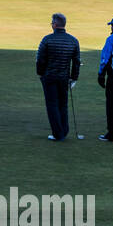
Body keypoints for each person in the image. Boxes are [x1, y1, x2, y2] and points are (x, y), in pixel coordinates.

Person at [36, 13, 81, 141]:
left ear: (55, 25)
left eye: (52, 23)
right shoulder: (73, 40)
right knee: (63, 105)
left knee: (52, 105)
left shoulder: (47, 39)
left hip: (49, 77)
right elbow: (76, 61)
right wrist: (74, 77)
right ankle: (64, 131)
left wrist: (40, 73)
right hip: (64, 78)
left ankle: (58, 134)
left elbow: (40, 60)